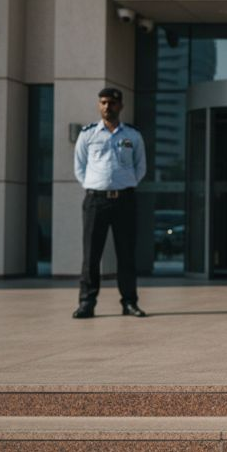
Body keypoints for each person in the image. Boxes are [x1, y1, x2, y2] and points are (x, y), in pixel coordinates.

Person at [72, 87, 148, 319]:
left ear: (120, 106)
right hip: (96, 201)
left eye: (112, 103)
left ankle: (129, 303)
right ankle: (87, 303)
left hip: (124, 201)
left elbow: (140, 166)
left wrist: (124, 184)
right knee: (91, 255)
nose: (107, 107)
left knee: (126, 254)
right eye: (103, 102)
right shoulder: (88, 134)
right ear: (99, 105)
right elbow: (79, 167)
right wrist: (95, 185)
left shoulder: (133, 135)